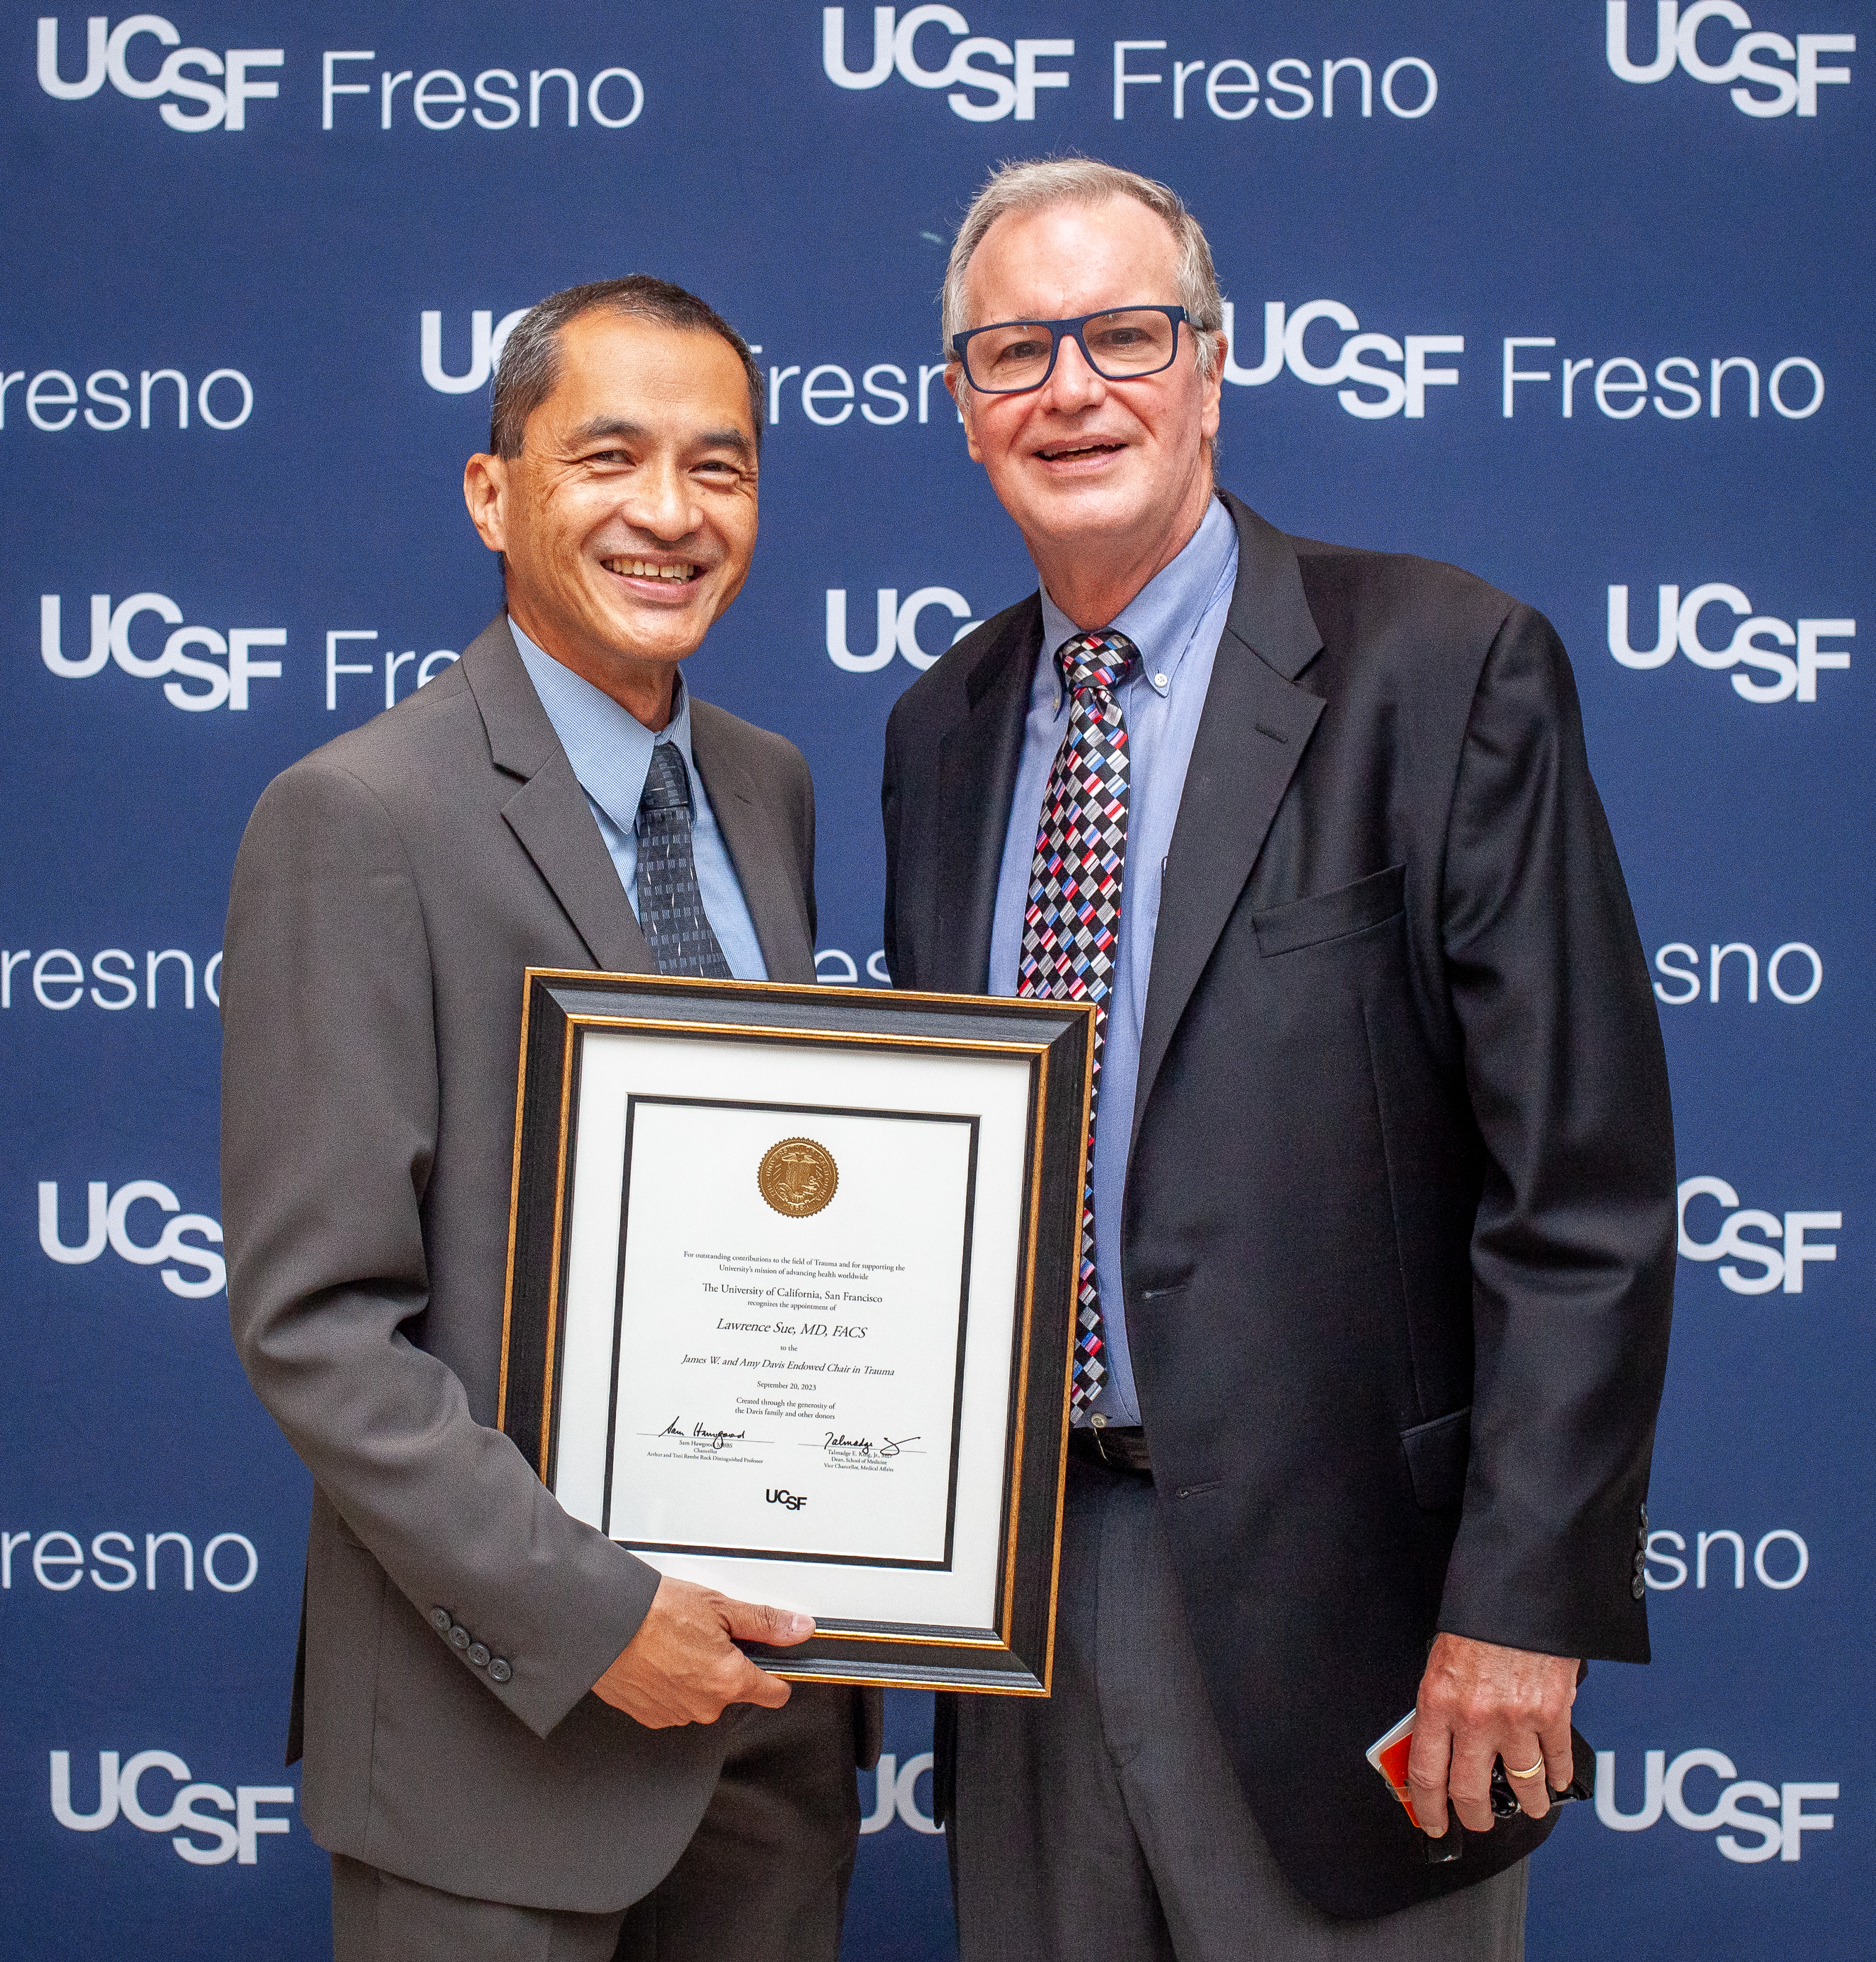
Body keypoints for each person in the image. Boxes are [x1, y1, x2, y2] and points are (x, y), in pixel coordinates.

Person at [881, 160, 1676, 1960]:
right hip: (1022, 1621)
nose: (1071, 388)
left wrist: (1519, 1606)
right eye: (1015, 350)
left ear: (1214, 367)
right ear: (962, 407)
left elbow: (1587, 1192)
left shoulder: (1445, 666)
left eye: (1125, 334)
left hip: (1364, 1625)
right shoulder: (937, 728)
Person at [221, 276, 877, 1962]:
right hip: (494, 1757)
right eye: (611, 456)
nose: (671, 513)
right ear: (492, 490)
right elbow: (320, 1328)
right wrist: (600, 1617)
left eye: (719, 467)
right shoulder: (356, 814)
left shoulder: (769, 789)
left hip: (770, 1729)